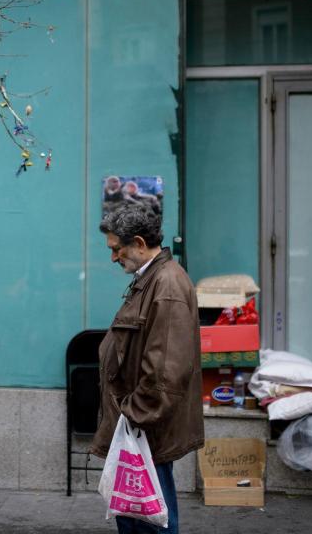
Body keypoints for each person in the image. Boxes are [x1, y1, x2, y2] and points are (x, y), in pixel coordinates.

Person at [91, 204, 203, 534]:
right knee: (138, 512)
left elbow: (166, 370)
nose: (113, 257)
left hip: (144, 429)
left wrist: (132, 415)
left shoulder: (166, 285)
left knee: (151, 518)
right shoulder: (153, 279)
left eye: (117, 248)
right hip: (139, 428)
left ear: (139, 243)